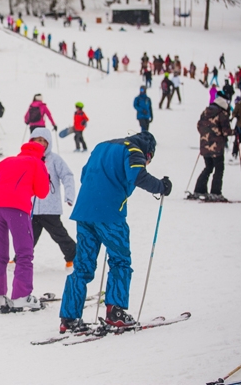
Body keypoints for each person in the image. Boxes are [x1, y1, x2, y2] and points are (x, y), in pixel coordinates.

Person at [58, 132, 171, 333]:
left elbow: (85, 174)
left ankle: (69, 317)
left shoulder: (102, 146)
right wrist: (161, 186)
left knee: (82, 266)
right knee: (120, 261)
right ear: (149, 153)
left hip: (84, 212)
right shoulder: (135, 149)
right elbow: (137, 175)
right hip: (110, 215)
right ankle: (115, 313)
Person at [0, 140, 50, 311]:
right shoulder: (37, 163)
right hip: (17, 209)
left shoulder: (6, 161)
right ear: (41, 153)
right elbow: (43, 192)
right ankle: (22, 296)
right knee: (24, 253)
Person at [29, 128, 76, 270]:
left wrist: (69, 195)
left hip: (50, 207)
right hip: (31, 208)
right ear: (32, 141)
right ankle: (19, 260)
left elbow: (67, 176)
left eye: (44, 141)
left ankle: (74, 257)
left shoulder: (54, 159)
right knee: (29, 238)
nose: (41, 143)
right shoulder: (28, 158)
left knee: (59, 235)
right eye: (38, 140)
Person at [190, 96, 234, 201]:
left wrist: (206, 135)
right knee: (219, 168)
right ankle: (215, 192)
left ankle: (199, 189)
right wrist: (236, 132)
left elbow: (199, 126)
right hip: (216, 147)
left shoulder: (205, 112)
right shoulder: (222, 114)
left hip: (205, 146)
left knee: (208, 167)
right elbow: (226, 131)